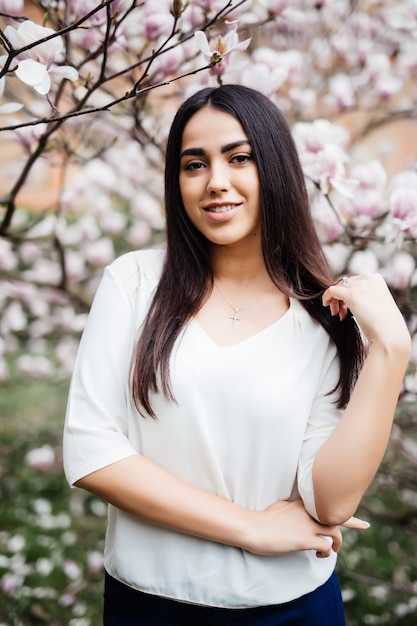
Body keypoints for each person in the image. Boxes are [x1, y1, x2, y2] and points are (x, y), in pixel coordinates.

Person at [63, 84, 411, 626]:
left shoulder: (327, 319)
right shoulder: (134, 282)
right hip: (149, 603)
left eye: (239, 158)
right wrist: (250, 528)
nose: (216, 183)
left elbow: (330, 504)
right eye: (194, 164)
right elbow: (91, 451)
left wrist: (391, 351)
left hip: (293, 608)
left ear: (274, 168)